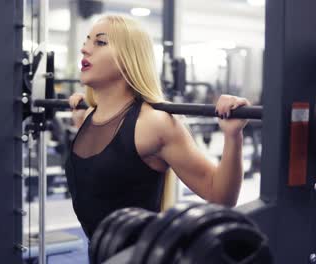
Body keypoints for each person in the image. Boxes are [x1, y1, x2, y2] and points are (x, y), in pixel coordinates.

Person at [64, 14, 250, 240]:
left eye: (100, 42)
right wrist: (83, 115)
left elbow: (220, 196)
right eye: (86, 42)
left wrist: (233, 136)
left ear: (129, 58)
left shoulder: (152, 123)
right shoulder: (90, 118)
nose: (85, 49)